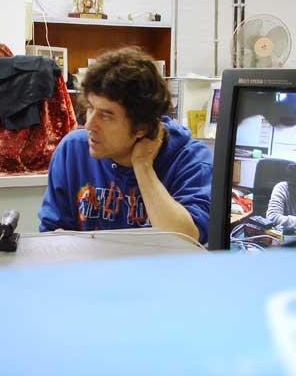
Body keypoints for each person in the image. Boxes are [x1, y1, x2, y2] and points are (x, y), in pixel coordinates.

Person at [38, 47, 212, 242]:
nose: (89, 125)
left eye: (106, 115)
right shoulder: (73, 151)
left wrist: (143, 167)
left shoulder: (191, 160)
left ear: (141, 127)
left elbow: (184, 241)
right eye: (91, 108)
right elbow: (51, 238)